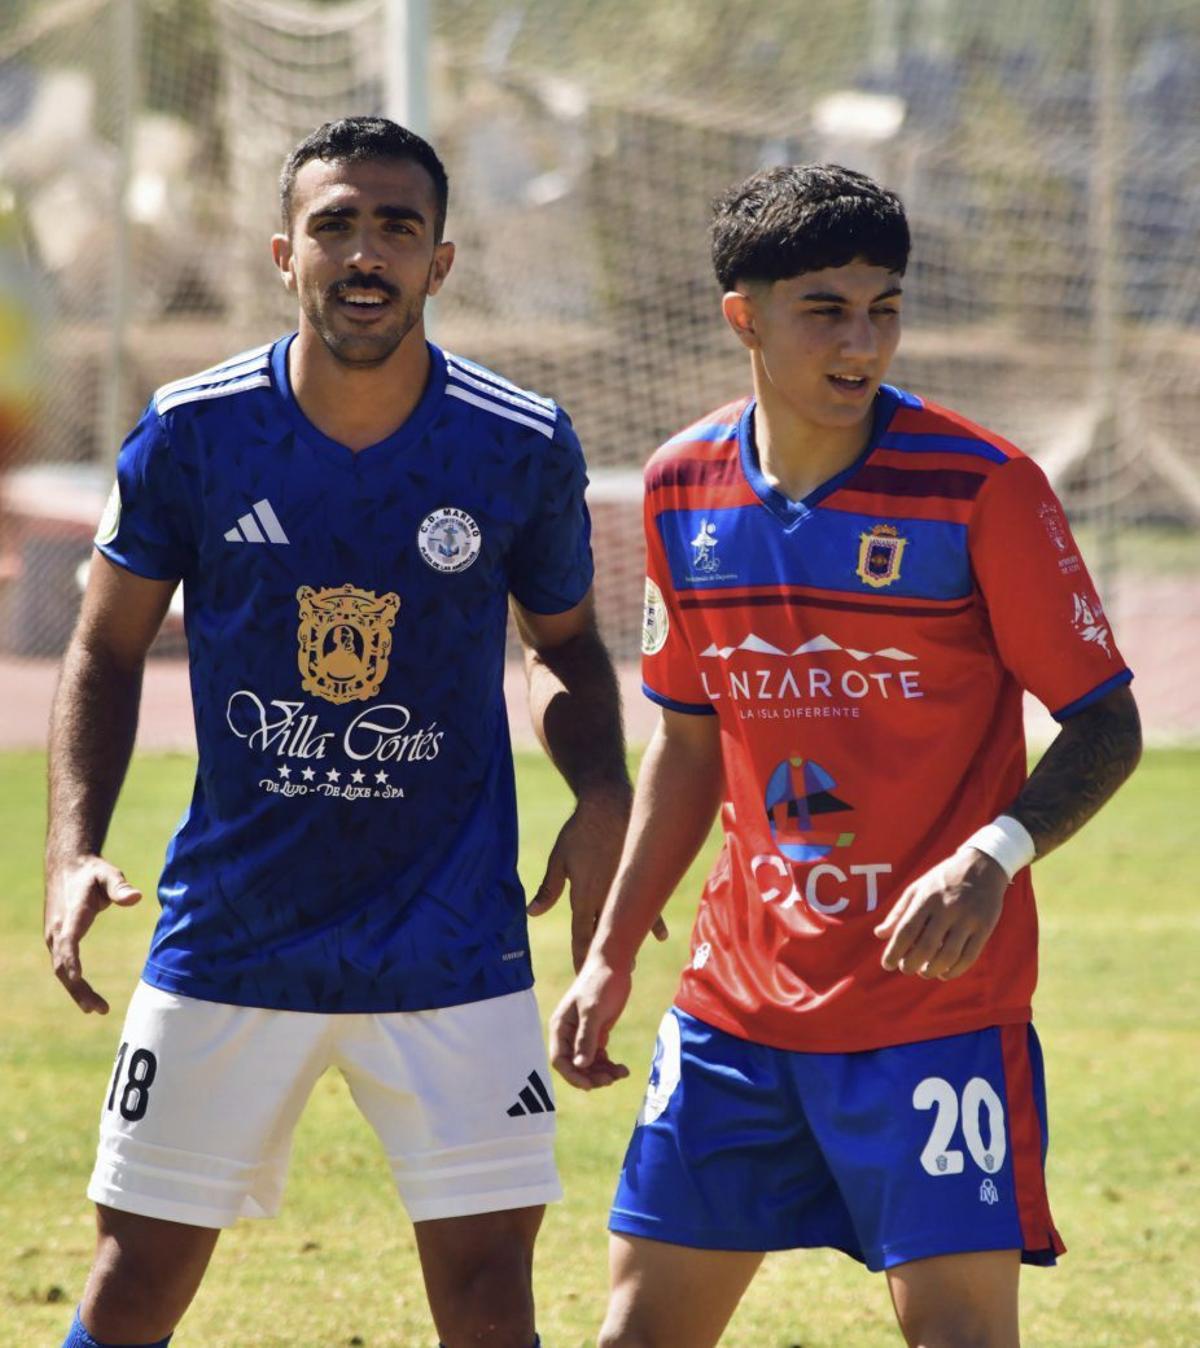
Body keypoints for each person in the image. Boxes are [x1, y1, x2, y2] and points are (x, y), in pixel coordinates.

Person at [43, 116, 633, 1348]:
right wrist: (73, 847)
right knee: (134, 1278)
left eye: (396, 228)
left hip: (453, 941)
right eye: (336, 226)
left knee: (488, 1295)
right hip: (233, 936)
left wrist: (600, 793)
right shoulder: (194, 432)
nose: (365, 254)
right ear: (283, 251)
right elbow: (102, 645)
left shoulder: (516, 443)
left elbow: (567, 645)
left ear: (441, 261)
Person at [550, 163, 1142, 1348]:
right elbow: (688, 742)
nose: (861, 340)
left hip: (935, 1007)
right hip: (734, 1008)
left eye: (884, 307)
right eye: (826, 308)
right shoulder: (680, 487)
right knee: (635, 1334)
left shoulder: (983, 487)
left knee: (963, 1337)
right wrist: (612, 955)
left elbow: (1107, 721)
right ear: (745, 318)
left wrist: (995, 853)